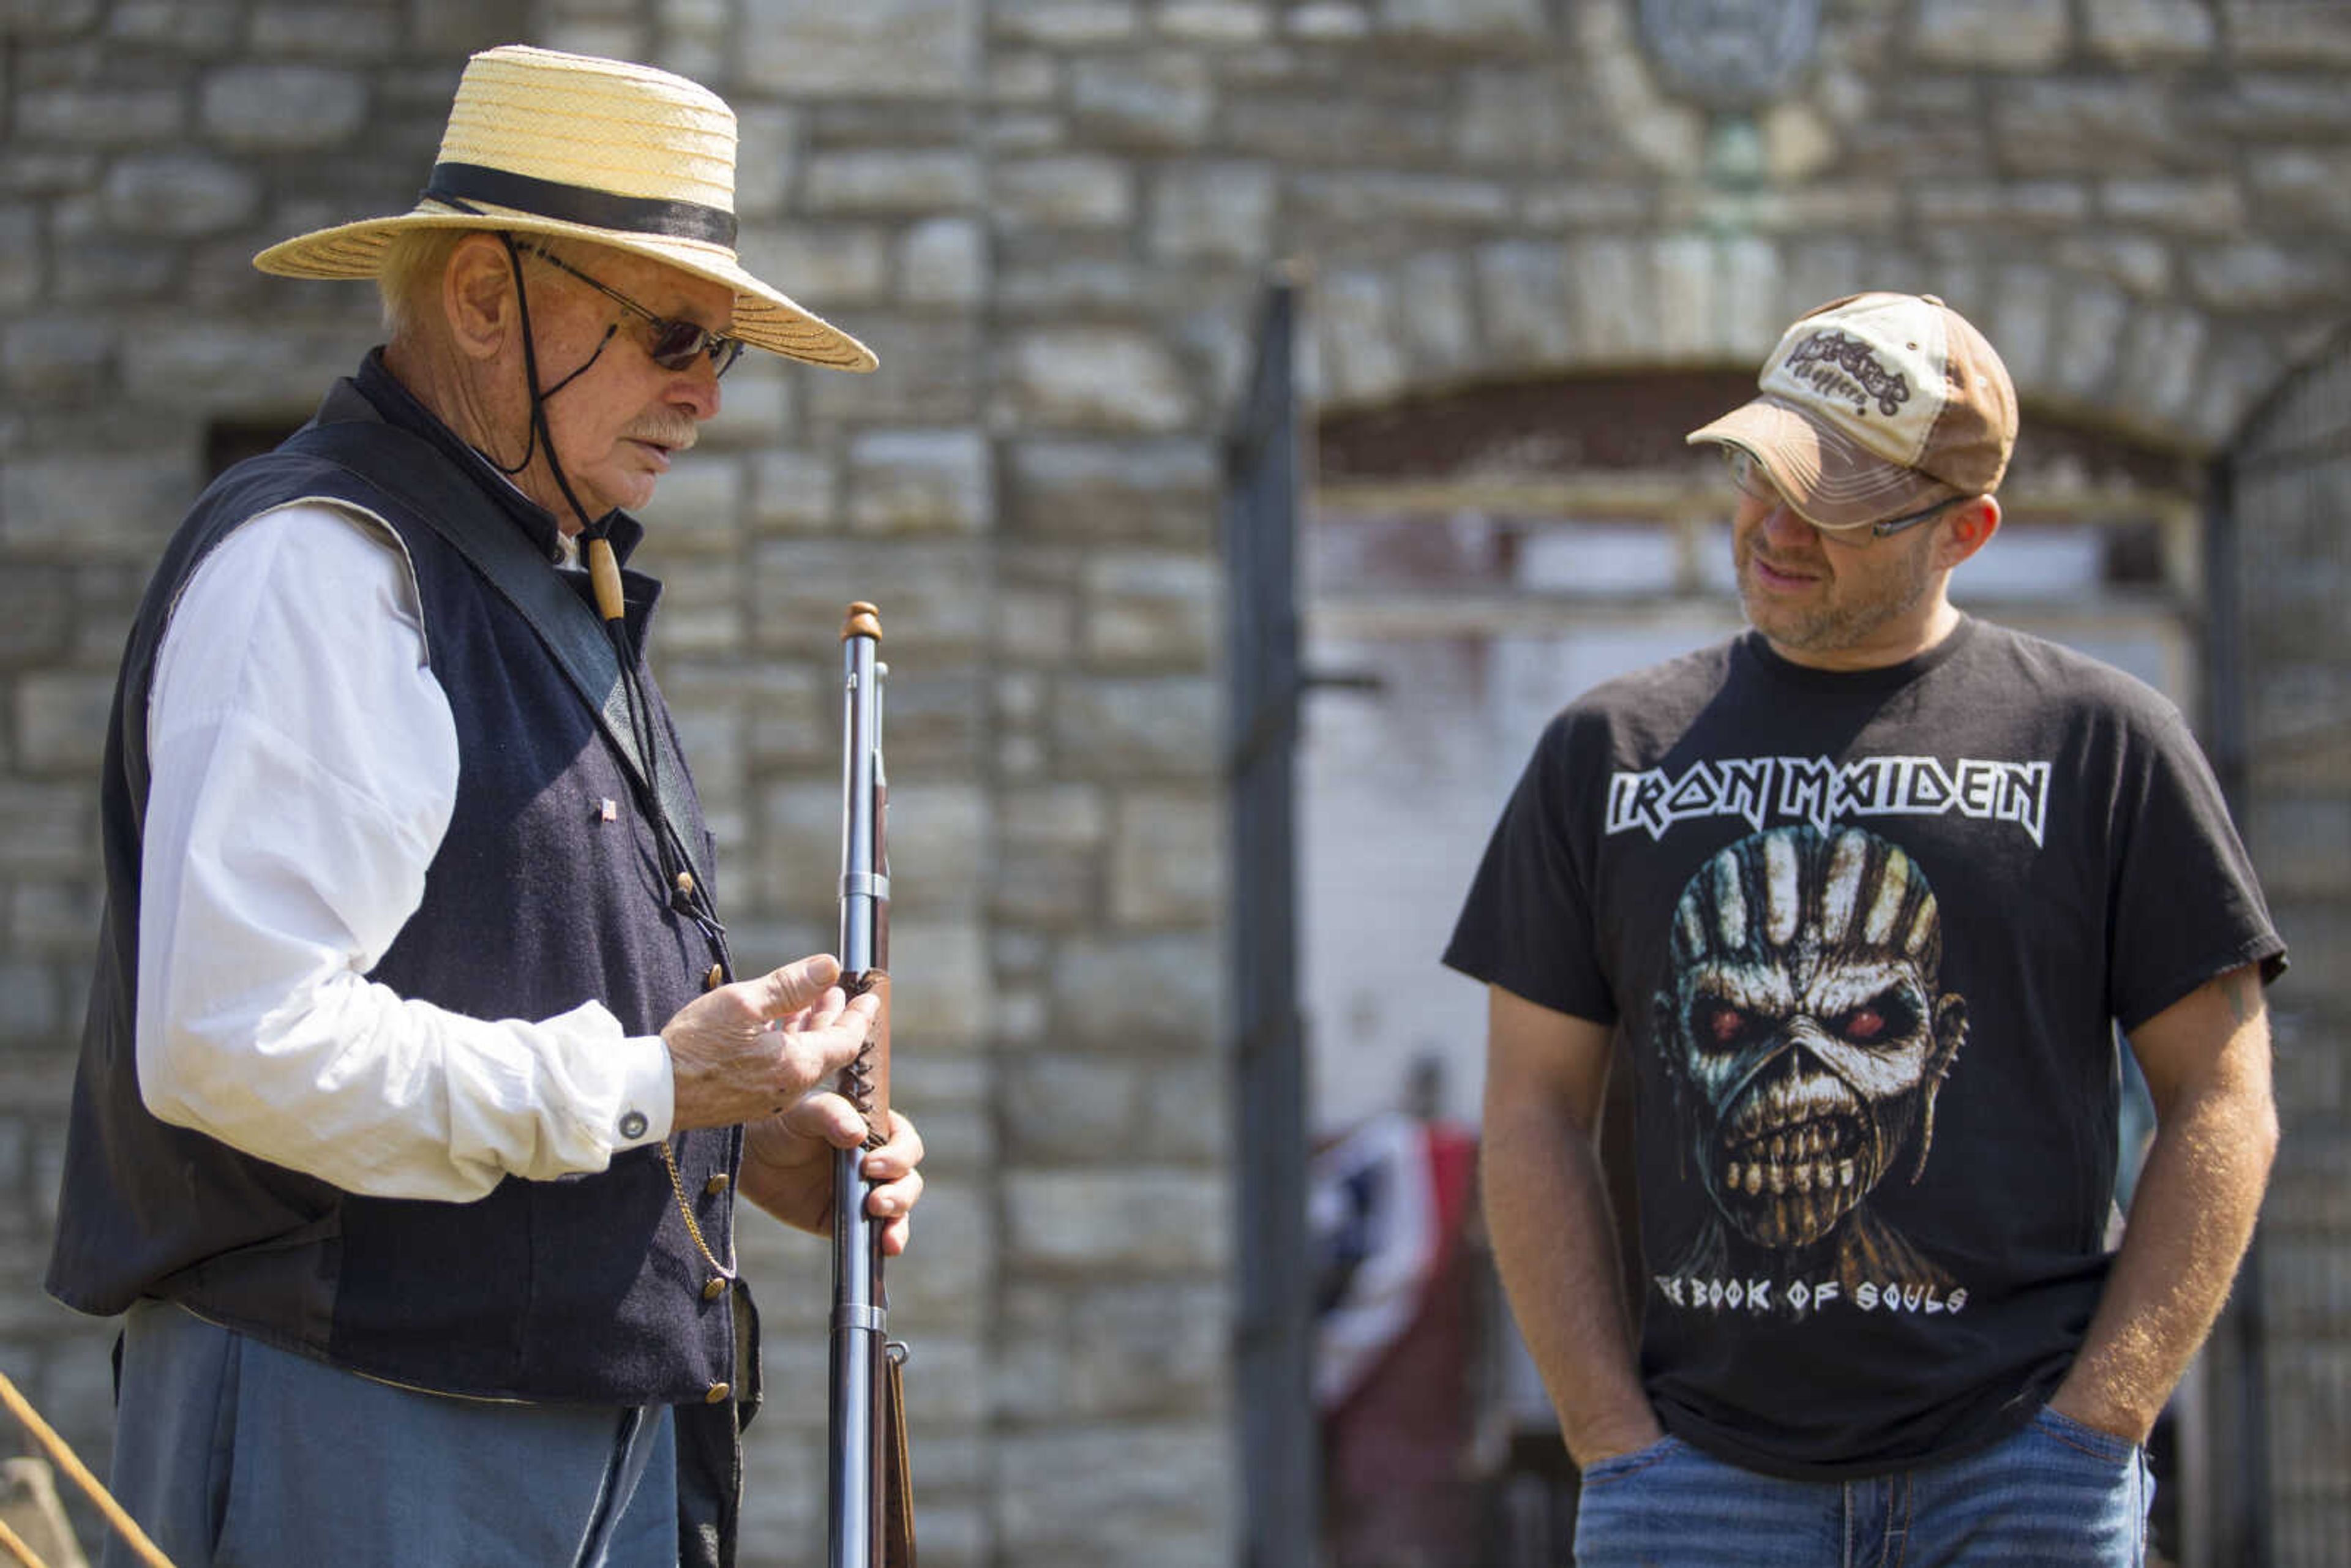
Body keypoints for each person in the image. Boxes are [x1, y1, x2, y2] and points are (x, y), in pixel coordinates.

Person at [44, 45, 925, 1568]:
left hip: (561, 1443)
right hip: (359, 1434)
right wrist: (655, 1084)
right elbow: (236, 1042)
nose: (704, 394)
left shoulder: (526, 569)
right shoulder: (322, 567)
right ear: (481, 297)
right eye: (669, 332)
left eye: (723, 349)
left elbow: (524, 1002)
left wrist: (753, 1141)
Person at [1445, 291, 2284, 1565]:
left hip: (2018, 1483)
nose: (1776, 528)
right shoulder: (1608, 756)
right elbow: (1530, 1109)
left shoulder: (2101, 747)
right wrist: (1610, 1437)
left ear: (1965, 530)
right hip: (1696, 1490)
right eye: (1763, 474)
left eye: (1833, 505)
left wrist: (2096, 1429)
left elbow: (2224, 1100)